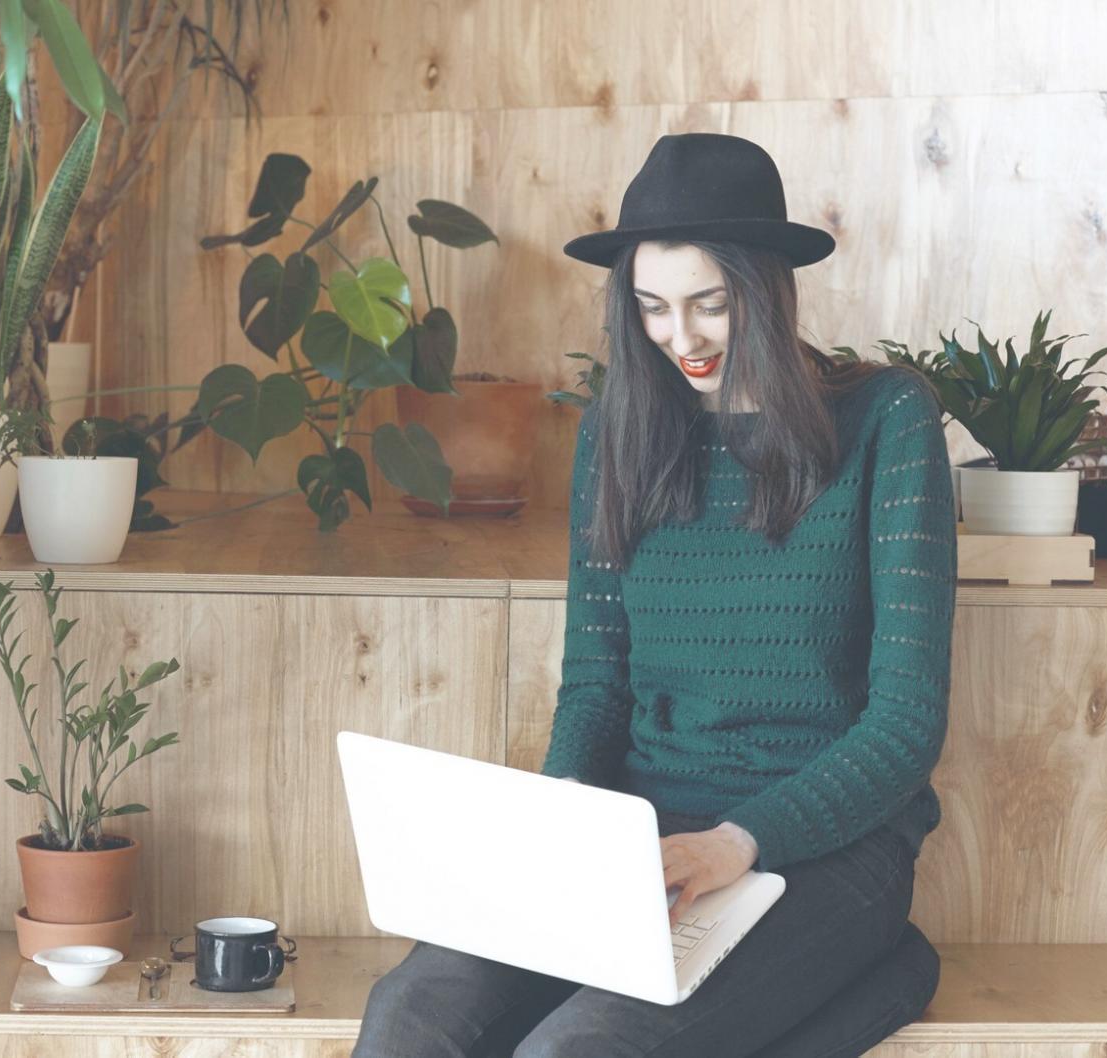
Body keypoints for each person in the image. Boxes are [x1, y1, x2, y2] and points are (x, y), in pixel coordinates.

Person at [354, 132, 957, 1058]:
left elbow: (905, 721)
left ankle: (878, 960)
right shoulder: (616, 433)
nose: (682, 339)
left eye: (709, 305)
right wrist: (557, 838)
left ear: (765, 287)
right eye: (651, 309)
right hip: (638, 841)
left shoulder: (885, 419)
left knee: (579, 1048)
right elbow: (597, 687)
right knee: (412, 1011)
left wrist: (737, 842)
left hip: (832, 844)